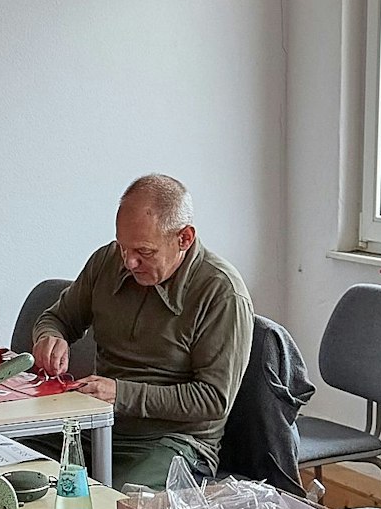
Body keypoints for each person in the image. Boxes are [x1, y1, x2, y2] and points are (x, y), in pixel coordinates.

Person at [31, 174, 253, 488]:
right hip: (98, 427)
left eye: (145, 252)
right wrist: (49, 337)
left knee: (113, 503)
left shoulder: (221, 292)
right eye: (123, 247)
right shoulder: (107, 262)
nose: (130, 262)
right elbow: (57, 318)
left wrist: (122, 394)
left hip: (172, 442)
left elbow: (212, 399)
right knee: (10, 461)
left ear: (184, 238)